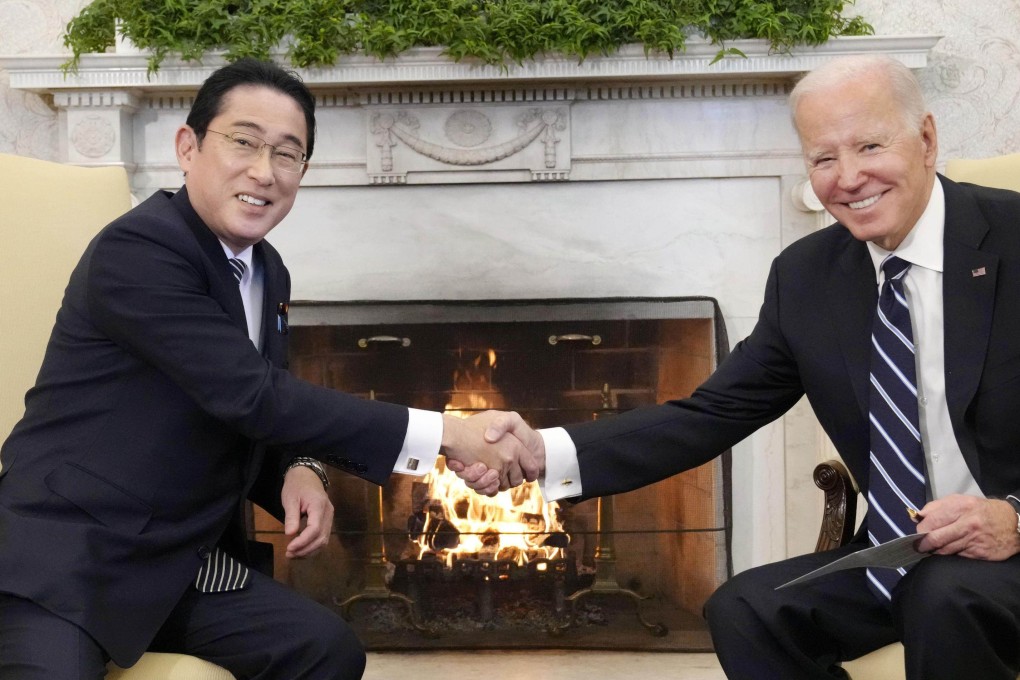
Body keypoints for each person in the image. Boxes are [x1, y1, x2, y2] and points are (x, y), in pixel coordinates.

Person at [457, 54, 1020, 679]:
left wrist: (1013, 516)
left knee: (946, 596)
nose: (850, 177)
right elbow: (712, 413)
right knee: (744, 609)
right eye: (823, 158)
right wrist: (542, 454)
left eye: (869, 146)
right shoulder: (807, 276)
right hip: (902, 554)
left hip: (1008, 548)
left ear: (926, 139)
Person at [0, 58, 535, 680]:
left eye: (288, 154)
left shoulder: (266, 267)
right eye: (244, 141)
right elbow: (253, 394)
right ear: (188, 146)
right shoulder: (139, 250)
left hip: (178, 565)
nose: (264, 170)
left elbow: (236, 406)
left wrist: (301, 467)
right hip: (72, 556)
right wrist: (447, 433)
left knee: (325, 651)